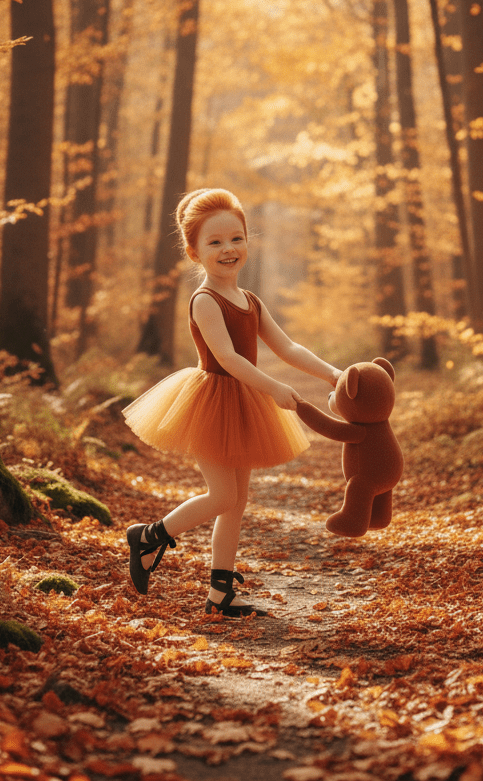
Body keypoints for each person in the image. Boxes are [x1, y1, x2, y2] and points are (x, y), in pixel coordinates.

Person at [123, 187, 342, 617]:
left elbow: (289, 348)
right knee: (222, 496)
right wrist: (274, 390)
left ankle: (220, 591)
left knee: (237, 503)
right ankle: (148, 536)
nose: (228, 249)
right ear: (194, 251)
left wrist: (334, 373)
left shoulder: (251, 301)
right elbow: (227, 357)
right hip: (211, 402)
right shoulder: (205, 300)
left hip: (244, 402)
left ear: (247, 241)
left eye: (236, 238)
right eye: (215, 242)